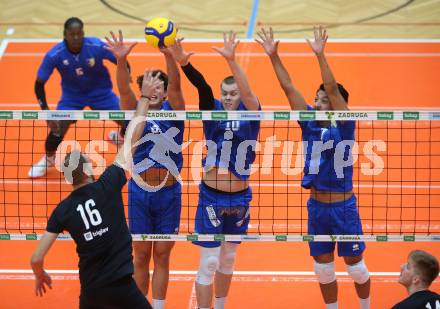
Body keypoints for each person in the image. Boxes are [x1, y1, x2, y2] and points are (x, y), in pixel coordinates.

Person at [257, 26, 371, 309]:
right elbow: (288, 87)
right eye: (317, 99)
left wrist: (320, 55)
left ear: (335, 104)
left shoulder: (345, 126)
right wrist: (273, 55)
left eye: (324, 100)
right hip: (317, 208)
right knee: (323, 270)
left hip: (344, 209)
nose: (318, 102)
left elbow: (331, 88)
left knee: (356, 269)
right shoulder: (308, 121)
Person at [30, 70, 164, 309]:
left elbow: (36, 258)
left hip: (91, 294)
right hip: (122, 288)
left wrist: (40, 274)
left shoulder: (63, 210)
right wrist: (144, 98)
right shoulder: (109, 183)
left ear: (67, 178)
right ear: (90, 171)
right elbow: (133, 137)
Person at [167, 32, 260, 309]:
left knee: (229, 258)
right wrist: (183, 64)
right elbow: (202, 87)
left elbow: (248, 93)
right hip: (211, 197)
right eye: (226, 94)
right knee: (209, 262)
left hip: (240, 199)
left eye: (233, 95)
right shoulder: (212, 110)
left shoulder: (251, 112)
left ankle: (220, 305)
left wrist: (231, 60)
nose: (229, 98)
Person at [104, 30, 185, 309]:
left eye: (159, 86)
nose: (155, 90)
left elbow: (176, 86)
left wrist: (169, 56)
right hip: (140, 191)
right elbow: (124, 91)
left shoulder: (175, 112)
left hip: (169, 194)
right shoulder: (135, 114)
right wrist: (120, 61)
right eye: (150, 87)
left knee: (162, 255)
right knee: (140, 255)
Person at [28, 17, 126, 178]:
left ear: (83, 33)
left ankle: (120, 137)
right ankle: (49, 159)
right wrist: (46, 112)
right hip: (72, 98)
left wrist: (123, 64)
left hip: (101, 93)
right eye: (71, 34)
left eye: (79, 33)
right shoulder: (55, 54)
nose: (75, 37)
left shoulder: (96, 46)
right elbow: (39, 84)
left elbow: (121, 61)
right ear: (64, 35)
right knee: (57, 128)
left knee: (129, 120)